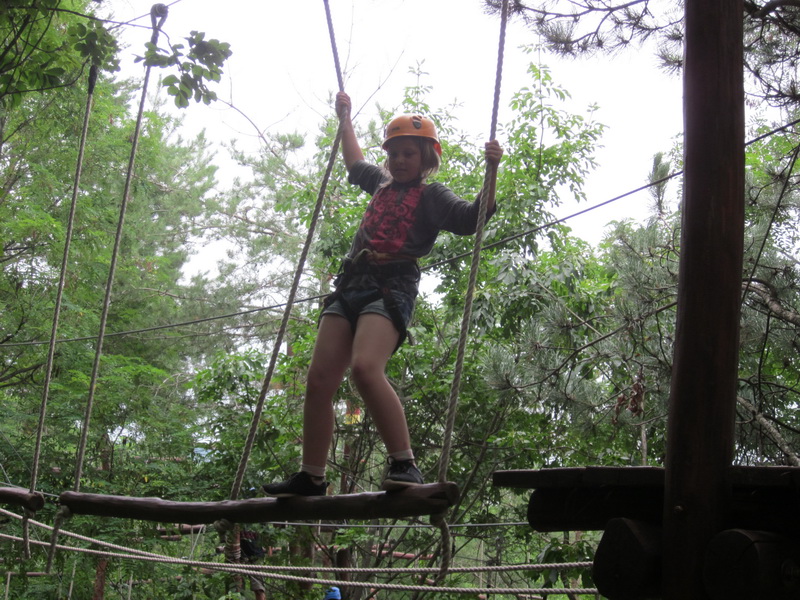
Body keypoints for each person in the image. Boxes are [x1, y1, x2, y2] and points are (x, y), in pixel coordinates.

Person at [263, 91, 503, 497]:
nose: (400, 160)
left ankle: (404, 463)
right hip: (351, 284)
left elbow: (471, 218)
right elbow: (355, 163)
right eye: (394, 154)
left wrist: (491, 170)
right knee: (319, 380)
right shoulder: (380, 183)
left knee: (365, 368)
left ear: (426, 157)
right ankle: (312, 476)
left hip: (392, 285)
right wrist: (345, 119)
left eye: (409, 153)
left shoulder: (432, 196)